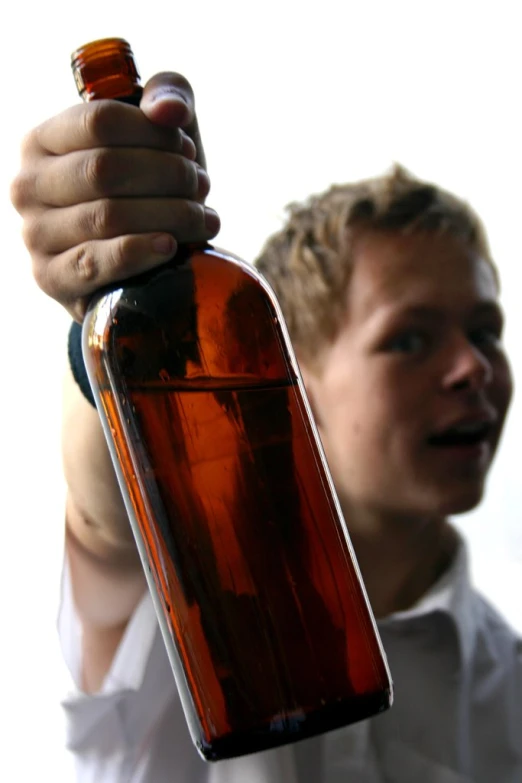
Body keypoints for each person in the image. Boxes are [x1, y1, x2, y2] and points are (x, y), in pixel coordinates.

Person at [10, 72, 522, 783]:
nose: (474, 368)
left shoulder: (511, 689)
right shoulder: (182, 606)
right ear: (293, 380)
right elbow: (107, 523)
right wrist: (101, 305)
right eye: (409, 339)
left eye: (486, 331)